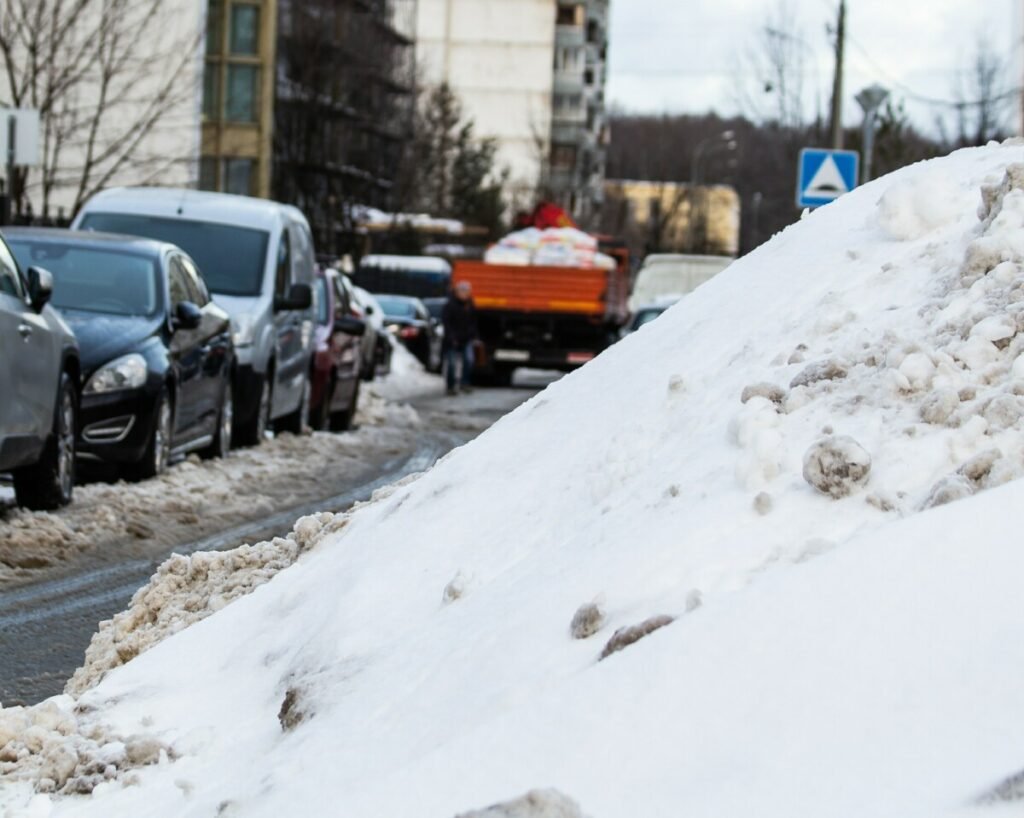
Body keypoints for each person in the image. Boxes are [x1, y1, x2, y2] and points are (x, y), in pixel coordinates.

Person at [442, 280, 478, 395]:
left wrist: (473, 334)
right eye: (462, 291)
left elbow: (474, 321)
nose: (464, 294)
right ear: (457, 292)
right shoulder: (450, 305)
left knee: (469, 360)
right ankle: (450, 386)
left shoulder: (470, 305)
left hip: (466, 339)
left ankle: (465, 383)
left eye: (466, 291)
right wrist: (451, 337)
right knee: (452, 363)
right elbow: (447, 323)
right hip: (452, 340)